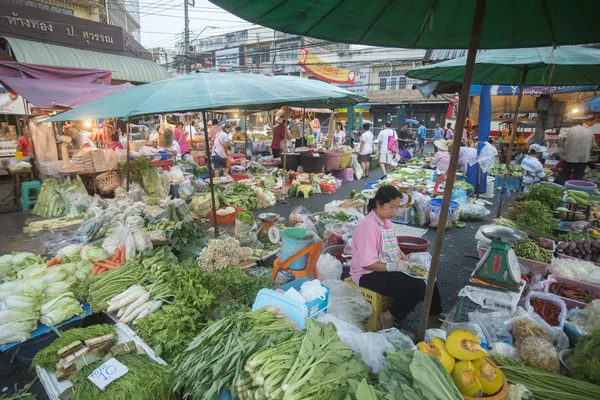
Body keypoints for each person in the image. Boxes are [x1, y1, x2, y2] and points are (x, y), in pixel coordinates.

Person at [351, 186, 443, 329]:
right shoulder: (368, 227)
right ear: (379, 203)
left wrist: (409, 261)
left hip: (386, 265)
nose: (394, 212)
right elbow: (367, 263)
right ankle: (388, 316)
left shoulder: (385, 222)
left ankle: (433, 315)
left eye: (396, 207)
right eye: (391, 207)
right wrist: (395, 266)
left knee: (427, 274)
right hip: (368, 274)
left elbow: (394, 247)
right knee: (417, 286)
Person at [559, 119, 595, 183]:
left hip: (570, 156)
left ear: (572, 124)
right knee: (579, 175)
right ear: (582, 124)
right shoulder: (589, 131)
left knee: (565, 174)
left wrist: (562, 149)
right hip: (584, 157)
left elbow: (560, 138)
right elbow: (593, 145)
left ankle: (563, 188)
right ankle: (576, 187)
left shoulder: (569, 130)